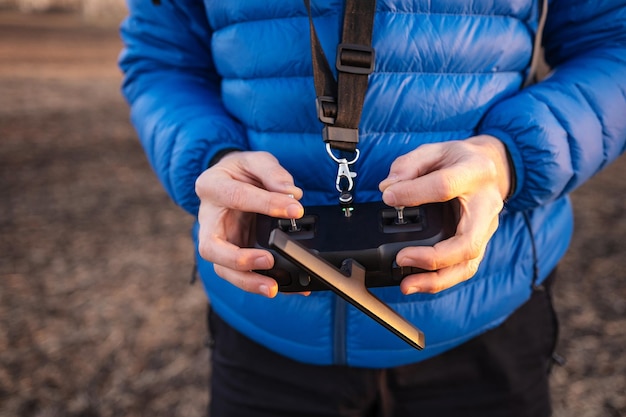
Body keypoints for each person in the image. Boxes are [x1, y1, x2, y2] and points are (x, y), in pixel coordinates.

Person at [118, 1, 626, 416]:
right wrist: (211, 157)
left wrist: (509, 158)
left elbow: (614, 43)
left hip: (486, 309)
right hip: (264, 327)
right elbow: (162, 59)